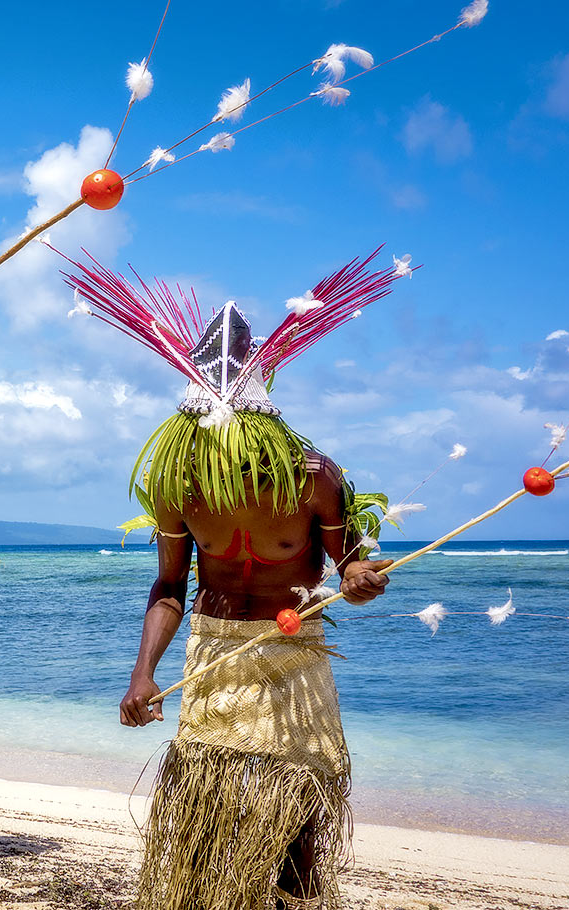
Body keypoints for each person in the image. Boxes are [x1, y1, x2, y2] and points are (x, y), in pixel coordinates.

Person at [62, 249, 406, 910]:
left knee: (294, 808)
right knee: (200, 797)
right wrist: (142, 676)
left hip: (292, 649)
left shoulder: (312, 475)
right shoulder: (180, 482)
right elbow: (169, 587)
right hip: (214, 643)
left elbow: (349, 561)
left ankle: (296, 902)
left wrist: (361, 575)